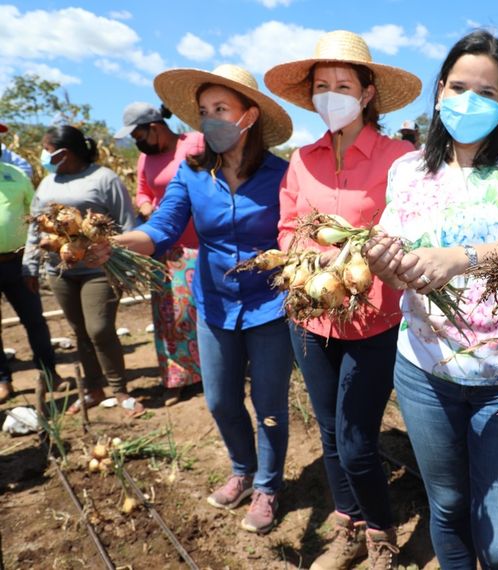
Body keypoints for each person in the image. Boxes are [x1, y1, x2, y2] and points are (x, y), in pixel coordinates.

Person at [364, 30, 498, 568]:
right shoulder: (408, 169)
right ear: (438, 92)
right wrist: (380, 259)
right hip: (424, 370)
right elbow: (389, 241)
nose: (468, 102)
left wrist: (461, 258)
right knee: (449, 508)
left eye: (485, 93)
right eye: (458, 87)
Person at [89, 64, 294, 534]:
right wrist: (115, 244)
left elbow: (296, 237)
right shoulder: (192, 173)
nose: (211, 119)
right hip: (216, 304)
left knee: (268, 403)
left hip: (269, 307)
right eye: (204, 112)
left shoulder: (282, 175)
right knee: (221, 401)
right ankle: (241, 469)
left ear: (249, 115)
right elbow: (160, 229)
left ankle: (267, 485)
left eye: (222, 108)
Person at [264, 29, 420, 569]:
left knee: (355, 437)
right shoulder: (300, 160)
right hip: (309, 318)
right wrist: (310, 257)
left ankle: (380, 532)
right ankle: (348, 518)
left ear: (368, 92)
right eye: (322, 85)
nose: (332, 94)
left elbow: (413, 229)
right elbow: (286, 227)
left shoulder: (401, 158)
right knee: (329, 431)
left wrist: (362, 252)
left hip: (375, 318)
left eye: (344, 84)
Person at [21, 125, 141, 417]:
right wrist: (30, 265)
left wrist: (127, 260)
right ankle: (92, 388)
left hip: (99, 267)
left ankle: (120, 389)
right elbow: (37, 229)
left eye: (49, 150)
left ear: (65, 152)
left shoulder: (104, 178)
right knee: (79, 331)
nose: (45, 155)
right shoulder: (48, 182)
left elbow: (127, 222)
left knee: (99, 328)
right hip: (60, 269)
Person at [114, 102, 204, 406]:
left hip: (199, 244)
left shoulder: (193, 143)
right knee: (170, 315)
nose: (137, 142)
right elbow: (142, 191)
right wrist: (145, 207)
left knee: (197, 311)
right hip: (164, 245)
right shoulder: (144, 158)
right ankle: (176, 378)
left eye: (139, 135)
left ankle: (207, 372)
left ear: (155, 127)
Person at [0, 157, 60, 403]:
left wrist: (33, 259)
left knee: (34, 320)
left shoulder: (15, 174)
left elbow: (35, 219)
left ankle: (49, 373)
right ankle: (3, 380)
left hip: (17, 261)